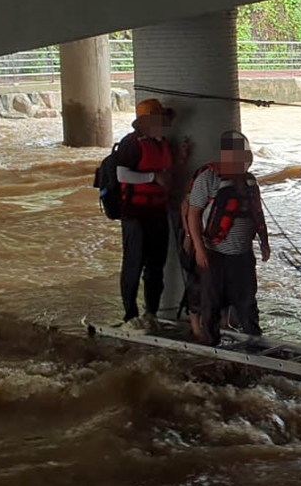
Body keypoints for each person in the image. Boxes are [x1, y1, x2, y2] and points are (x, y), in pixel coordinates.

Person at [187, 130, 270, 346]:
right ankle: (210, 343)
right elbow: (193, 214)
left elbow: (257, 214)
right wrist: (199, 249)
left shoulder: (250, 181)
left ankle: (255, 343)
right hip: (214, 253)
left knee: (247, 301)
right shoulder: (208, 179)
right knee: (211, 303)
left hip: (243, 254)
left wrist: (264, 242)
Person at [115, 98, 175, 333]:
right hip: (136, 214)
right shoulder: (131, 144)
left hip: (158, 211)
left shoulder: (162, 143)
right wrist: (153, 178)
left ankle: (151, 313)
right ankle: (130, 315)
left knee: (156, 265)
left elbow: (169, 172)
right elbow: (122, 174)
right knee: (134, 264)